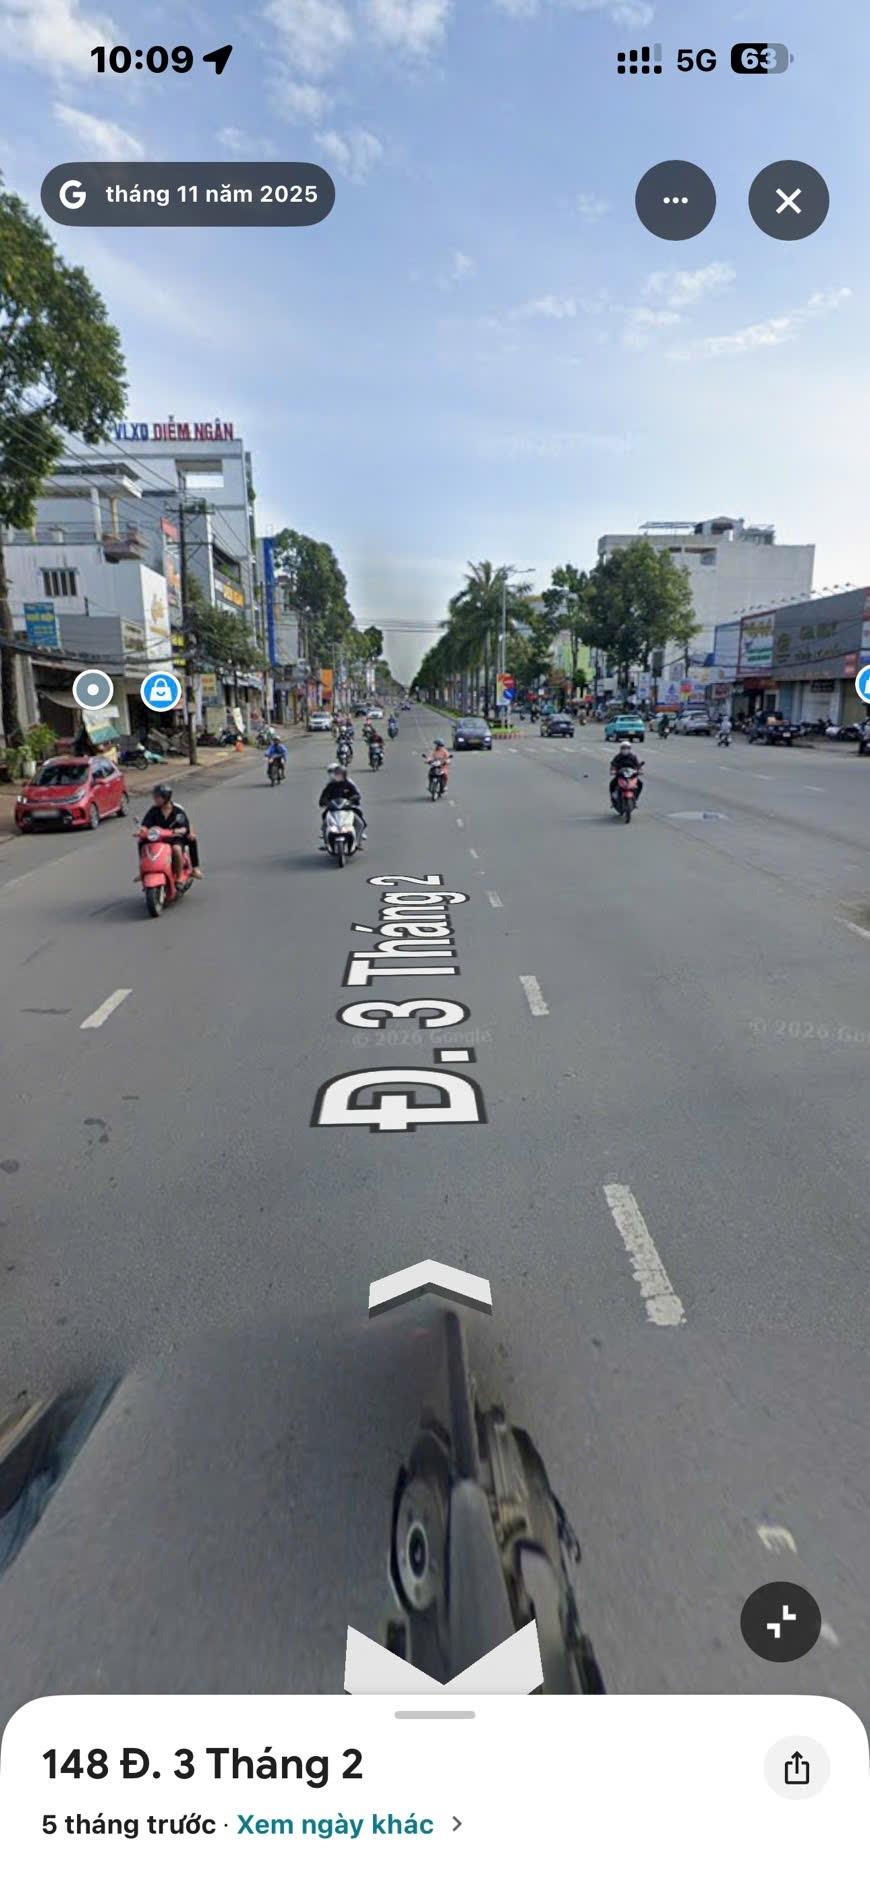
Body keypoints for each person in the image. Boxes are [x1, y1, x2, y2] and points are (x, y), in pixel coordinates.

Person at [140, 782, 202, 877]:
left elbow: (185, 825)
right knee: (142, 842)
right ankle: (144, 870)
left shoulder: (177, 810)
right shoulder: (153, 810)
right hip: (159, 838)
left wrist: (180, 831)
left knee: (177, 849)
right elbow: (146, 823)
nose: (155, 799)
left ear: (165, 797)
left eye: (157, 797)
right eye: (154, 797)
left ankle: (185, 873)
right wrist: (142, 830)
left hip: (175, 837)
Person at [318, 762, 365, 847]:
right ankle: (326, 842)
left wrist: (353, 799)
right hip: (333, 809)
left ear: (344, 775)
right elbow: (324, 797)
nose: (337, 776)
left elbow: (356, 794)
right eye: (336, 774)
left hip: (348, 808)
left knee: (360, 823)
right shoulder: (330, 786)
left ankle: (358, 841)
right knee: (324, 822)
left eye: (340, 774)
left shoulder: (349, 784)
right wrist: (324, 802)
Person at [609, 740, 643, 807]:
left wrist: (640, 770)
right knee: (612, 784)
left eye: (627, 748)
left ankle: (636, 798)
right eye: (623, 748)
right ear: (621, 749)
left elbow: (637, 765)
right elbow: (613, 765)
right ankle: (613, 799)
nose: (625, 750)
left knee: (640, 784)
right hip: (620, 775)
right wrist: (613, 770)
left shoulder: (633, 757)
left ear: (630, 749)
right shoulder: (618, 757)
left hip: (631, 775)